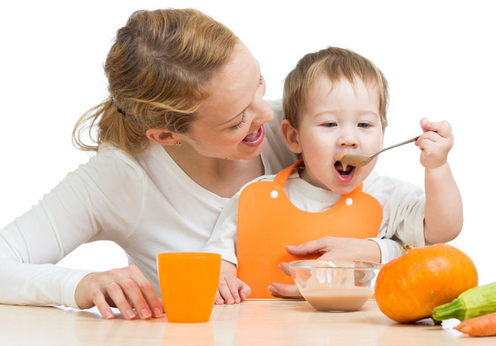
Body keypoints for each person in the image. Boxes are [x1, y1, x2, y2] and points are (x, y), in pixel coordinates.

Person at [0, 8, 297, 320]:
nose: (266, 114)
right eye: (237, 121)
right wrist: (81, 284)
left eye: (259, 83)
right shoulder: (123, 177)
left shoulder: (303, 131)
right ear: (167, 136)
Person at [202, 46, 462, 304]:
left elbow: (442, 231)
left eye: (364, 125)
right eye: (329, 124)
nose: (349, 139)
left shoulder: (389, 196)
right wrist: (223, 274)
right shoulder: (254, 196)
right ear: (294, 137)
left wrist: (437, 167)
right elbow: (218, 255)